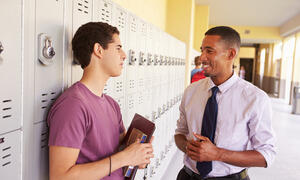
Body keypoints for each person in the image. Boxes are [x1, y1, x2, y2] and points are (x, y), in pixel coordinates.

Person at [47, 22, 154, 180]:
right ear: (98, 50)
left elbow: (121, 152)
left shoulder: (112, 104)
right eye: (118, 48)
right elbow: (60, 176)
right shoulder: (73, 105)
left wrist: (138, 155)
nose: (124, 55)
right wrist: (125, 157)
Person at [174, 26, 276, 180]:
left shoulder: (255, 99)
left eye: (209, 51)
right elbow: (180, 133)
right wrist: (188, 147)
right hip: (188, 176)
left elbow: (266, 155)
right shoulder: (191, 92)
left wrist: (217, 154)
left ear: (230, 54)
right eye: (202, 50)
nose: (202, 57)